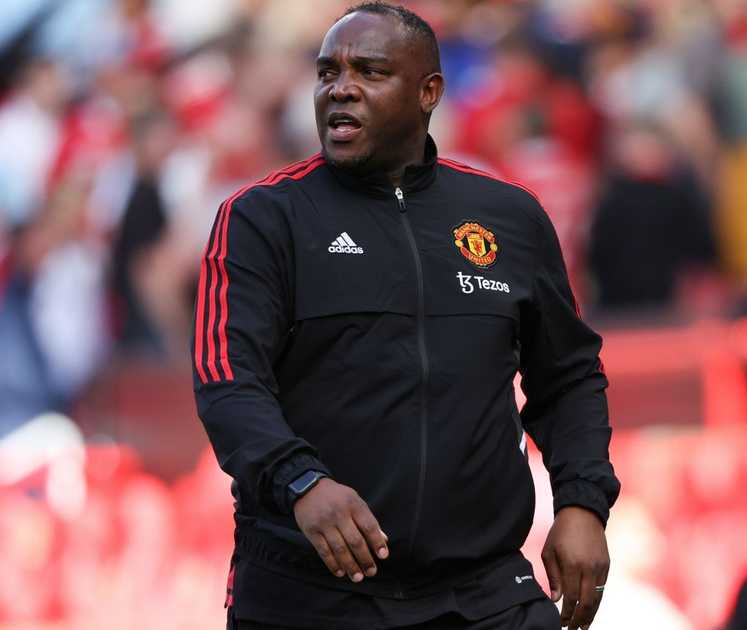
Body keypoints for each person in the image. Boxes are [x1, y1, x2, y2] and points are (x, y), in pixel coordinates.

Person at [191, 4, 619, 629]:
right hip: (308, 594)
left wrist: (582, 503)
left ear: (428, 93)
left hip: (483, 590)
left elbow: (570, 378)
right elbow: (226, 378)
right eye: (327, 72)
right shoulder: (262, 218)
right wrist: (301, 481)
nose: (340, 87)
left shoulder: (509, 216)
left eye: (369, 71)